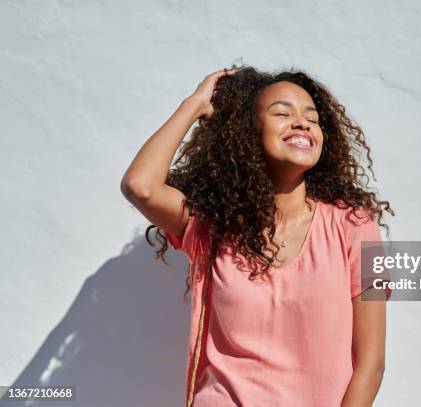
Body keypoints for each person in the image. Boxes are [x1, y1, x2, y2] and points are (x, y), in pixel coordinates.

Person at [120, 65, 395, 407]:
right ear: (248, 132)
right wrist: (194, 105)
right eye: (282, 112)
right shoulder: (214, 225)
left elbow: (371, 365)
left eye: (312, 118)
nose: (302, 123)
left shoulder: (355, 224)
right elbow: (140, 186)